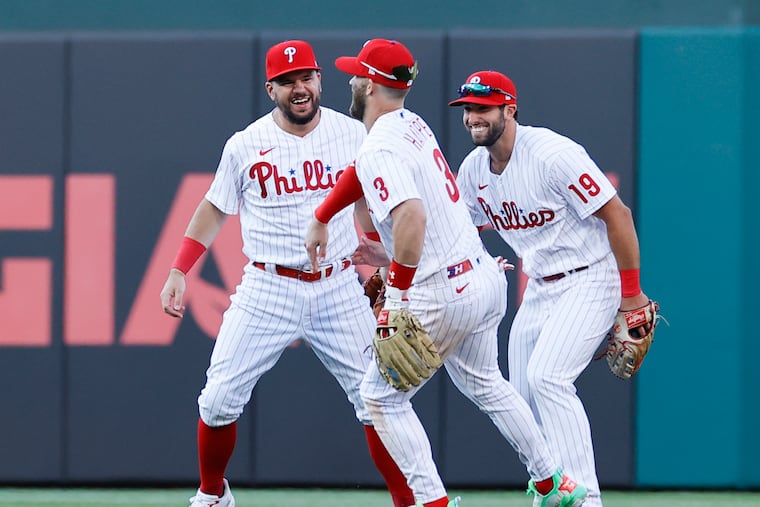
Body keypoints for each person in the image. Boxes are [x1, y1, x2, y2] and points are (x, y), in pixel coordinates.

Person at [304, 39, 588, 507]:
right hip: (481, 277)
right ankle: (552, 482)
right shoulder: (411, 124)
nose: (351, 81)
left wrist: (396, 296)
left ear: (371, 84)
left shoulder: (380, 145)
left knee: (379, 397)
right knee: (486, 382)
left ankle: (432, 502)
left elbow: (411, 215)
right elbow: (363, 171)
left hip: (441, 289)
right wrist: (323, 213)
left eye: (357, 74)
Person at [159, 39, 416, 507]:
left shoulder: (354, 134)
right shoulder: (245, 144)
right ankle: (213, 495)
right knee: (218, 401)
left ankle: (410, 501)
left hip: (338, 286)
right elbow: (214, 209)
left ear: (320, 80)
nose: (299, 88)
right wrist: (179, 269)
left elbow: (369, 206)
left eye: (306, 78)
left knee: (380, 402)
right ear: (270, 89)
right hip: (268, 286)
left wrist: (388, 253)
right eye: (287, 81)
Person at [448, 69, 653, 507]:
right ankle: (554, 489)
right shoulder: (472, 170)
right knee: (519, 395)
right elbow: (457, 232)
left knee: (549, 378)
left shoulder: (552, 154)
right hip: (540, 286)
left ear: (510, 107)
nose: (473, 118)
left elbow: (618, 216)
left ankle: (586, 499)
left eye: (483, 107)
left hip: (591, 276)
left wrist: (632, 295)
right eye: (467, 109)